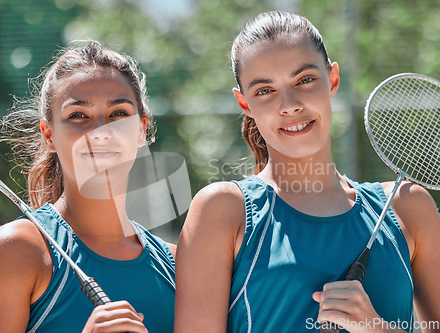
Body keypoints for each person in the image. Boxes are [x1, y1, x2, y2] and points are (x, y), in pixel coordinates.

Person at [174, 11, 440, 333]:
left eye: (305, 80)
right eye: (265, 91)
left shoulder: (408, 207)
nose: (289, 105)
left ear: (333, 80)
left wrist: (376, 328)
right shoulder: (222, 210)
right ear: (244, 104)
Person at [0, 41, 176, 333]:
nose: (100, 132)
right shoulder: (16, 251)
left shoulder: (177, 262)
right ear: (48, 135)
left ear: (141, 129)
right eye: (78, 116)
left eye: (119, 114)